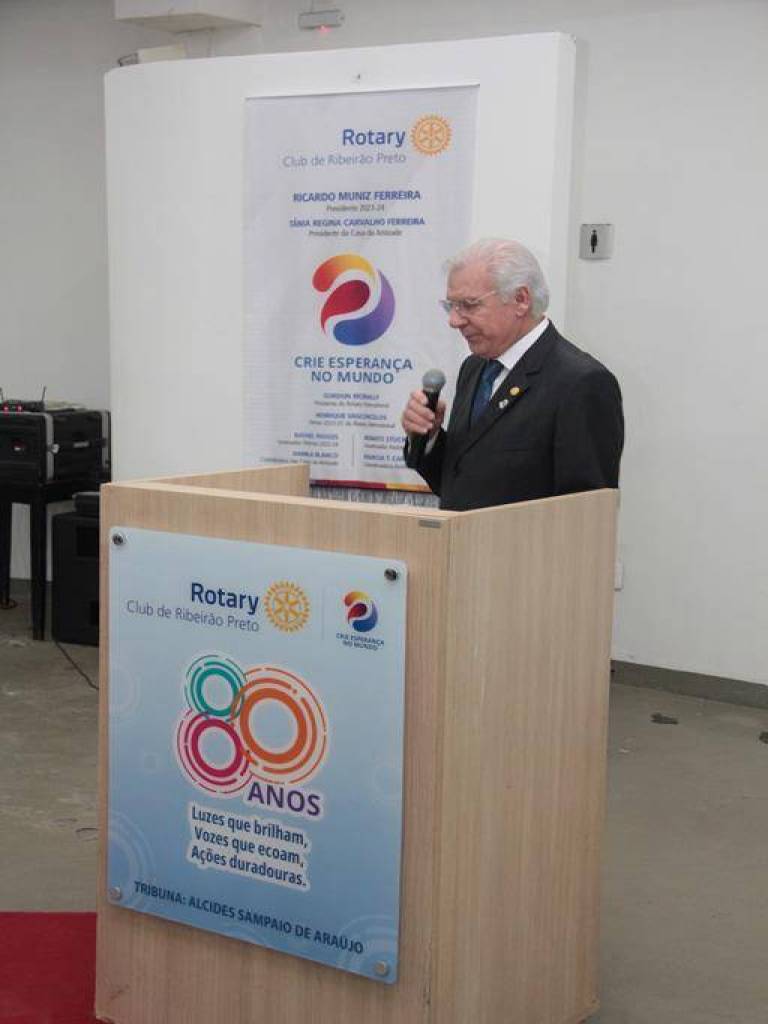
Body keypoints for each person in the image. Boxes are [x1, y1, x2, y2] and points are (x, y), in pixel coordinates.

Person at [401, 238, 624, 511]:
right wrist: (430, 437)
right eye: (451, 306)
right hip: (461, 538)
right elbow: (461, 483)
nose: (454, 321)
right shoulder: (474, 368)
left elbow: (586, 514)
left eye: (469, 305)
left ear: (521, 300)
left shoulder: (581, 382)